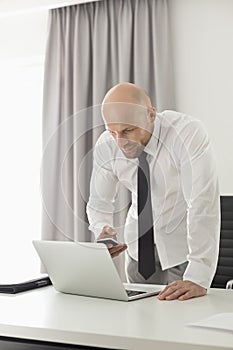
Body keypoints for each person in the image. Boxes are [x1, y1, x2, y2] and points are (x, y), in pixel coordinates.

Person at [86, 82, 220, 301]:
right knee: (139, 321)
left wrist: (199, 275)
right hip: (138, 251)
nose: (120, 142)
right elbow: (99, 203)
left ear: (150, 114)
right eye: (112, 131)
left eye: (128, 130)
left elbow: (202, 202)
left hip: (183, 251)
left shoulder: (186, 133)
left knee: (180, 324)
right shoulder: (107, 145)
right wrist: (102, 231)